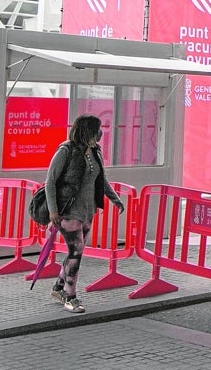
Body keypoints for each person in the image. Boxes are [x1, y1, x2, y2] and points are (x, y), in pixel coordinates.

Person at [44, 114, 125, 313]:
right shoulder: (67, 150)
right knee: (76, 252)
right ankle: (70, 297)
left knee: (76, 251)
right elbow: (50, 181)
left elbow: (101, 179)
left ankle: (58, 287)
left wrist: (115, 199)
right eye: (97, 128)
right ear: (87, 130)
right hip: (68, 211)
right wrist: (53, 210)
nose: (101, 133)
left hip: (88, 211)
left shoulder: (96, 151)